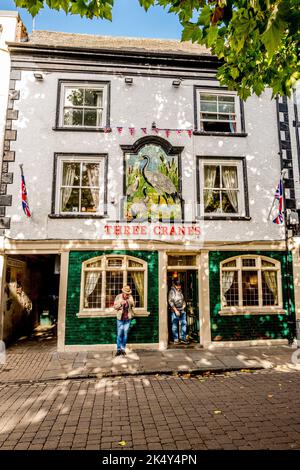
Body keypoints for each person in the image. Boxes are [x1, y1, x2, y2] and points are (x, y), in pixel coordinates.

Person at [114, 285, 135, 356]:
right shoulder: (118, 297)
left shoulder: (130, 297)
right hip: (120, 319)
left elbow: (133, 304)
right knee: (119, 334)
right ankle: (118, 349)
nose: (127, 295)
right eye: (126, 294)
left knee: (125, 334)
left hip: (127, 319)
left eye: (128, 294)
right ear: (123, 292)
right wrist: (120, 303)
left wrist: (127, 301)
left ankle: (123, 349)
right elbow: (115, 307)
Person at [168, 279, 188, 345]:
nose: (179, 287)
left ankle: (183, 339)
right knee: (174, 325)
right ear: (175, 285)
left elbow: (183, 300)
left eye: (180, 285)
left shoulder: (180, 291)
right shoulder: (172, 292)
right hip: (175, 311)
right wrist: (176, 310)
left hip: (182, 310)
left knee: (184, 324)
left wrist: (184, 305)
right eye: (178, 285)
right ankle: (176, 339)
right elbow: (170, 302)